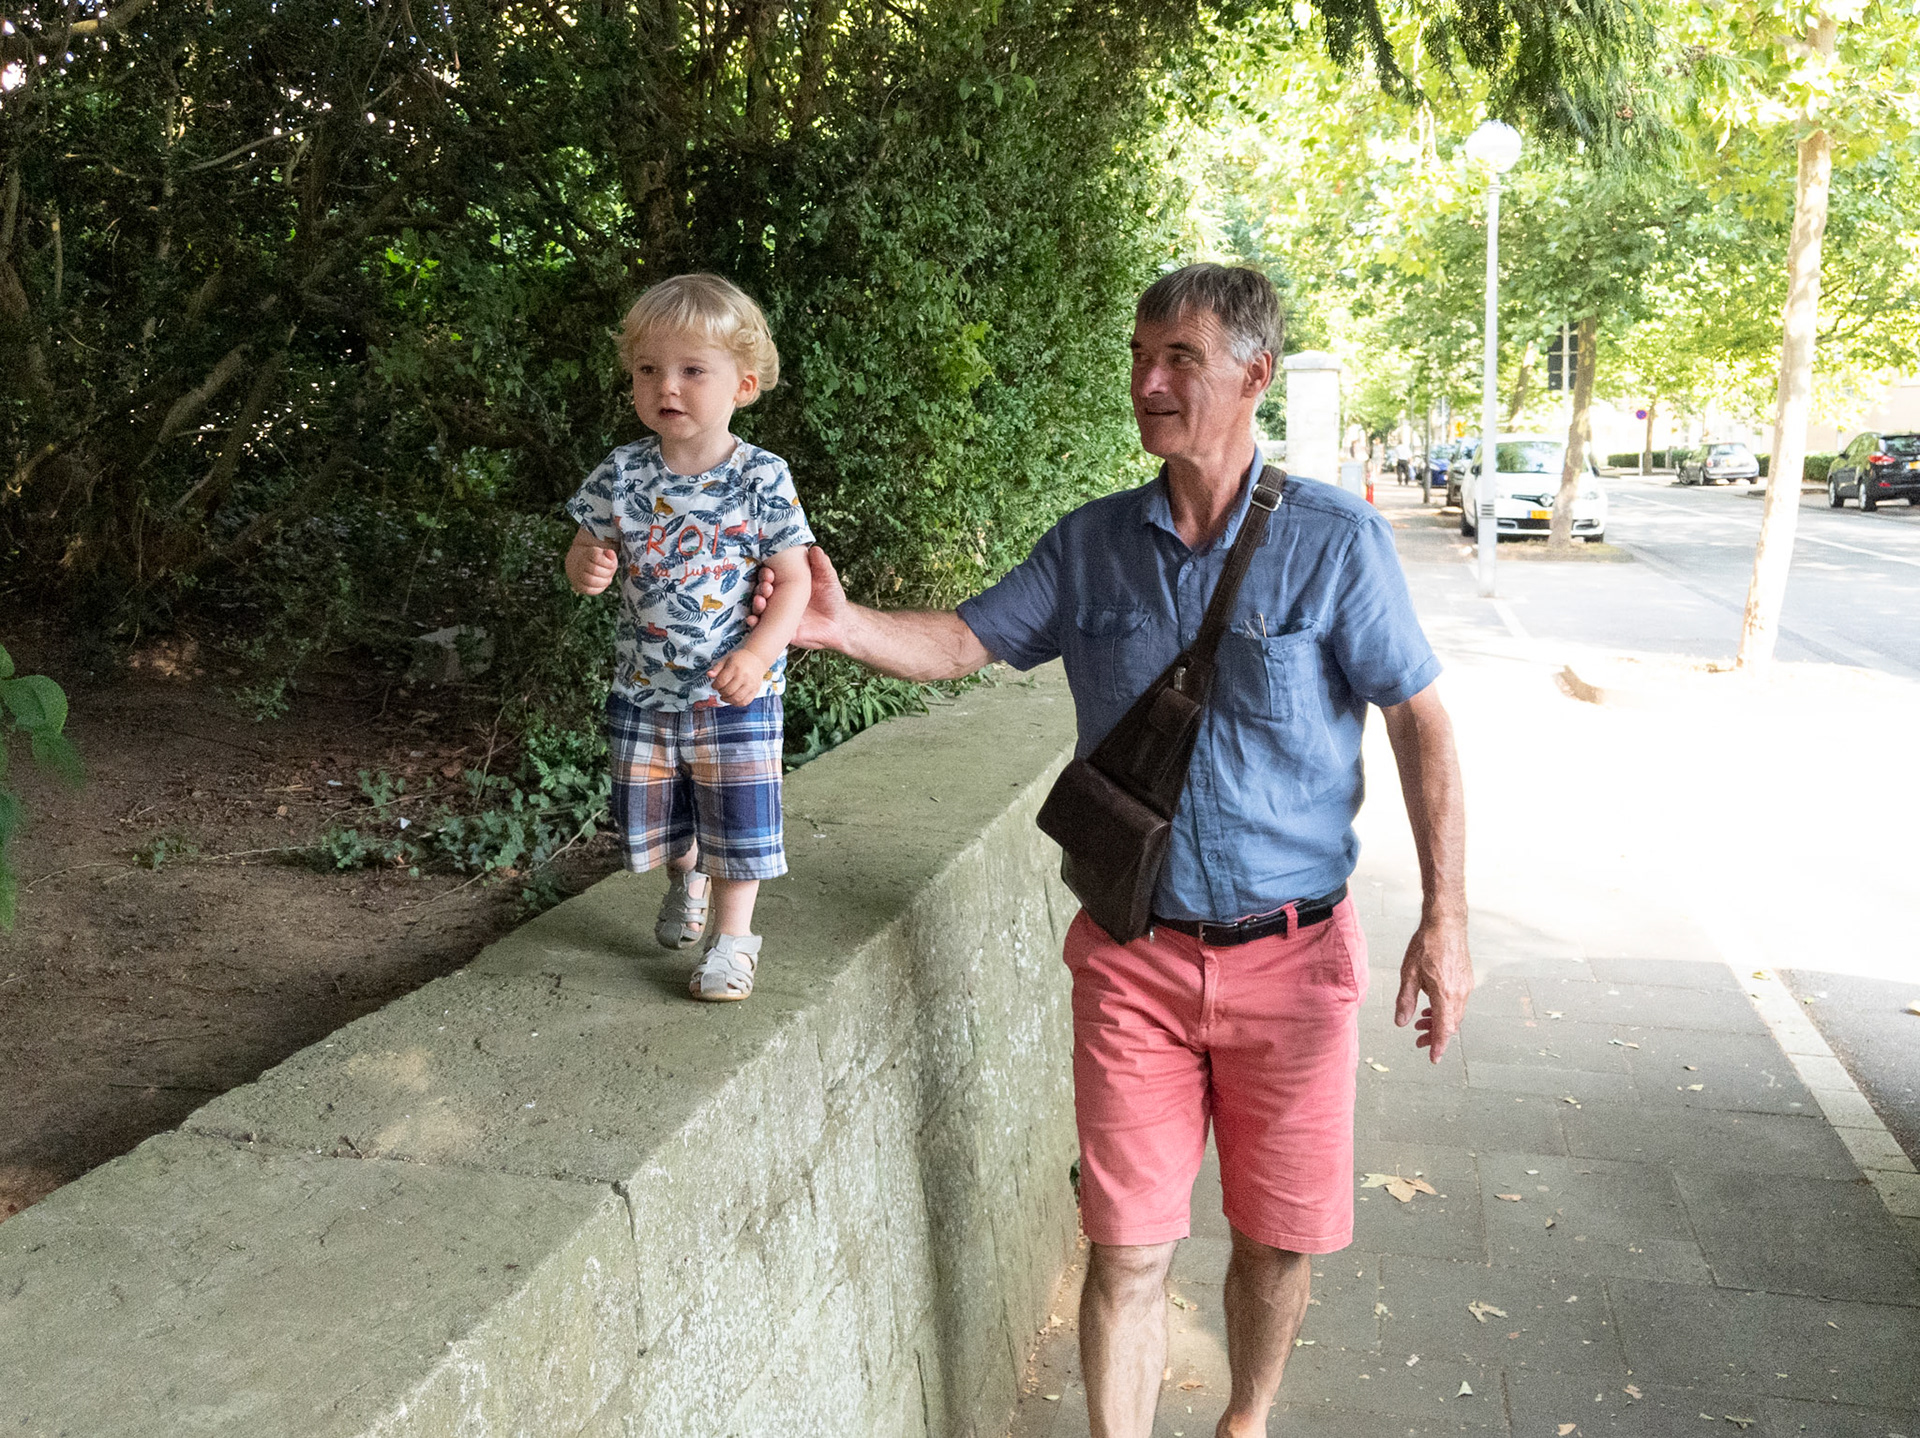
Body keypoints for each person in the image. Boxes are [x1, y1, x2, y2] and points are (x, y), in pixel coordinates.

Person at [758, 263, 1470, 1437]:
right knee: (1127, 1247)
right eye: (1140, 355)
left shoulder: (1335, 543)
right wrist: (841, 626)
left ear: (1255, 373)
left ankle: (1243, 1420)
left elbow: (1420, 718)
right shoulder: (1090, 546)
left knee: (1276, 1238)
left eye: (1180, 358)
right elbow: (959, 641)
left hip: (1297, 960)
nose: (1147, 381)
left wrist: (1444, 918)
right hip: (1133, 953)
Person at [564, 273, 814, 1003]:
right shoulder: (622, 473)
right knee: (660, 812)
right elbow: (582, 548)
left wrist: (759, 652)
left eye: (690, 370)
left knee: (739, 820)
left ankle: (732, 944)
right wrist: (587, 565)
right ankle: (686, 877)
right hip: (645, 689)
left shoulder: (762, 477)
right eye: (648, 370)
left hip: (736, 692)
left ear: (742, 384)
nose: (665, 386)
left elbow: (794, 581)